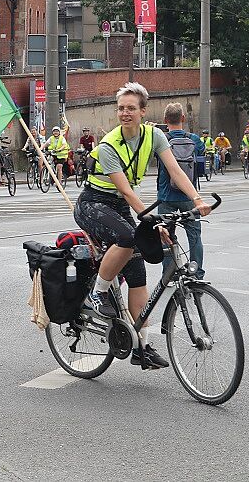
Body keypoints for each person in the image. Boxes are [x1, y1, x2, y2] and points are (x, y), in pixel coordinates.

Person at [75, 83, 211, 370]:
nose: (125, 113)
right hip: (93, 202)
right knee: (126, 237)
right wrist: (149, 220)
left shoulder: (155, 135)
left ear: (142, 111)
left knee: (137, 274)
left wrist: (197, 199)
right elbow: (125, 190)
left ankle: (141, 346)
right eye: (121, 108)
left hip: (120, 207)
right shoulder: (109, 144)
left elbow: (175, 170)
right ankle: (97, 293)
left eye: (131, 108)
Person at [157, 104, 206, 279]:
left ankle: (169, 275)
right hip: (188, 195)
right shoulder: (194, 139)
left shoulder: (162, 139)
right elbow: (201, 155)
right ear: (183, 118)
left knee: (167, 236)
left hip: (166, 196)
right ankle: (196, 273)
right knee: (194, 235)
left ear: (165, 120)